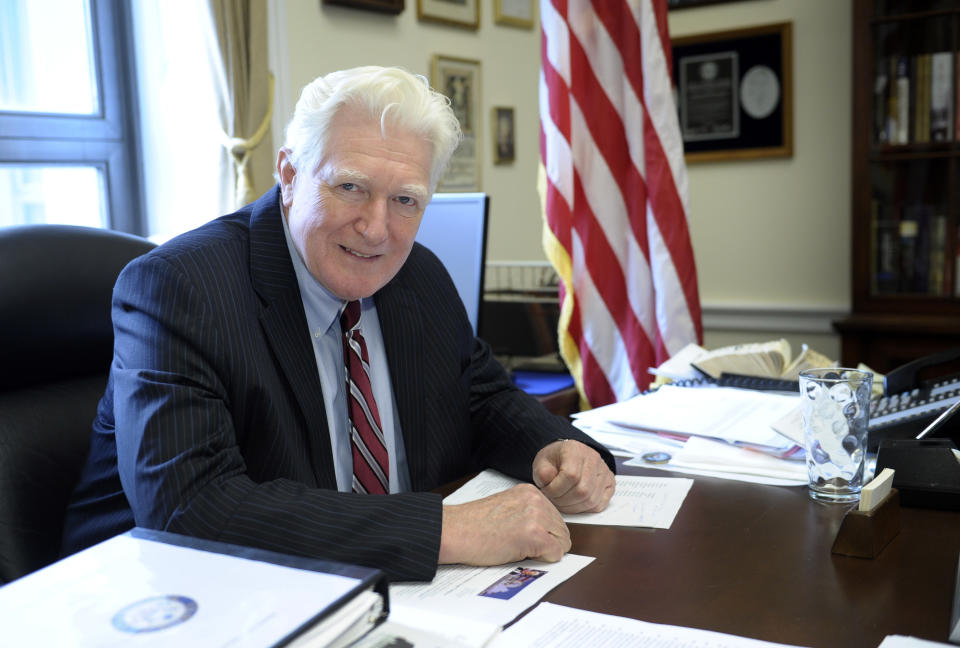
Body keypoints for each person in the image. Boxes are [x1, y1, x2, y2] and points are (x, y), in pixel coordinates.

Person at [61, 66, 616, 582]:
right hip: (171, 600)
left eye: (405, 200)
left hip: (387, 597)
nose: (376, 229)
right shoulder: (181, 289)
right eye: (350, 187)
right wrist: (453, 529)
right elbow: (193, 509)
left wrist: (556, 448)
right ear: (289, 174)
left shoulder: (417, 274)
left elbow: (480, 397)